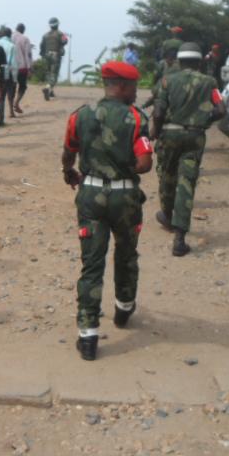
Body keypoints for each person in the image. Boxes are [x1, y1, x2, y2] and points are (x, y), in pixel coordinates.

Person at [61, 61, 152, 361]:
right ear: (122, 87)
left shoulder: (80, 116)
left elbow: (69, 152)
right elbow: (145, 164)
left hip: (90, 194)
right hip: (125, 197)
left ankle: (88, 336)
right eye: (134, 88)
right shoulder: (136, 118)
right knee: (126, 254)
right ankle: (124, 308)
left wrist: (69, 172)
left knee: (92, 264)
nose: (136, 93)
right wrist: (123, 166)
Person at [152, 42, 226, 257]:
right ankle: (179, 239)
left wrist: (156, 131)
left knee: (167, 176)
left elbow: (158, 112)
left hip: (169, 134)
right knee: (187, 182)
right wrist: (204, 120)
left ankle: (167, 215)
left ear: (180, 61)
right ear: (199, 62)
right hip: (195, 136)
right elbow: (221, 109)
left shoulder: (168, 80)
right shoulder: (209, 82)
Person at [40, 17, 66, 101]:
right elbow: (65, 41)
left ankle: (51, 91)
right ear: (57, 24)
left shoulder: (45, 35)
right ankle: (48, 88)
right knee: (54, 74)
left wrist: (43, 54)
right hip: (56, 55)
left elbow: (41, 46)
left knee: (48, 73)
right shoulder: (60, 34)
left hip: (47, 55)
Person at [0, 26, 18, 122]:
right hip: (7, 71)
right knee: (10, 91)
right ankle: (10, 111)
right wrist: (15, 78)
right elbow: (13, 63)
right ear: (10, 35)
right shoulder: (12, 46)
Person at [12, 23, 33, 114]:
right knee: (22, 86)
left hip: (10, 67)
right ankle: (16, 102)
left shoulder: (10, 37)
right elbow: (28, 54)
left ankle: (11, 109)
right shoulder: (25, 39)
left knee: (11, 88)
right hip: (21, 67)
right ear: (23, 30)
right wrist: (29, 68)